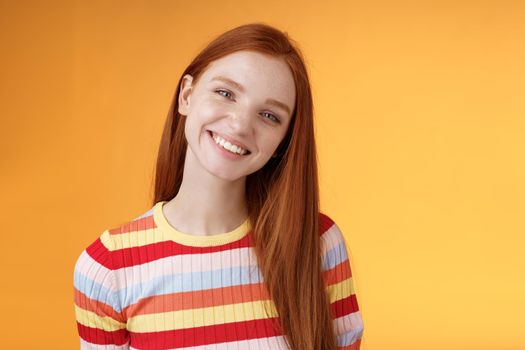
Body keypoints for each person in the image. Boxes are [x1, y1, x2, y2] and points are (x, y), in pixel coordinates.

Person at [73, 22, 364, 350]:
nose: (240, 124)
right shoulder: (107, 267)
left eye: (269, 115)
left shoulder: (319, 244)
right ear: (186, 95)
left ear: (284, 142)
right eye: (225, 93)